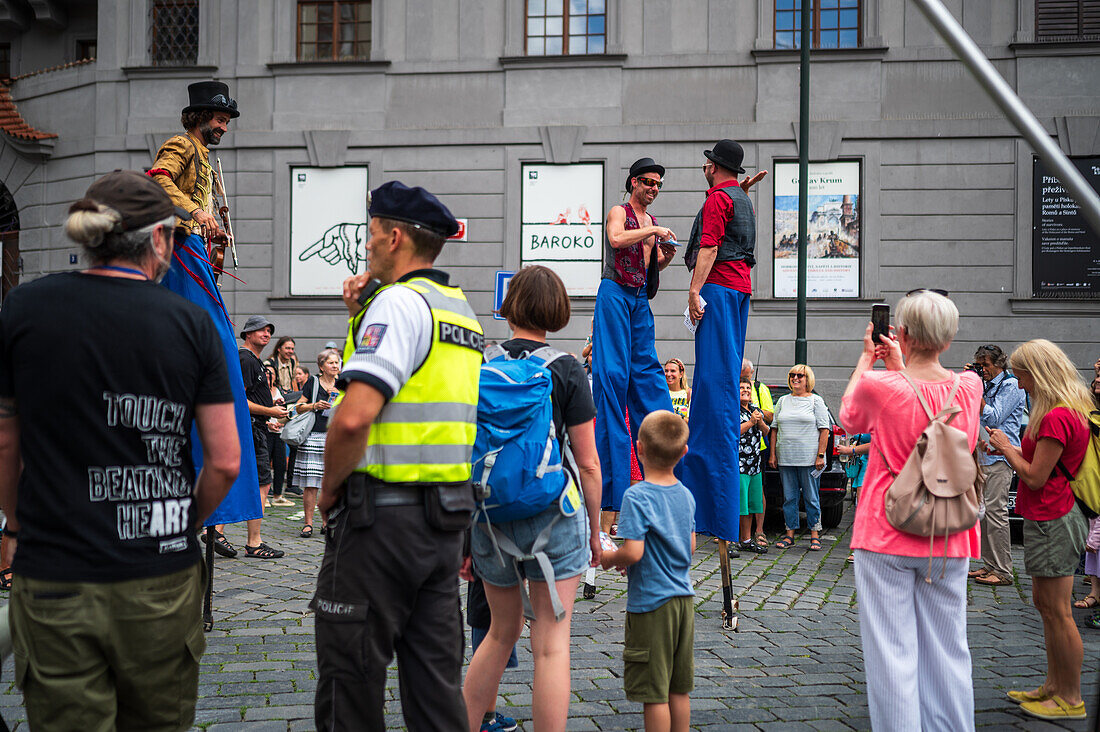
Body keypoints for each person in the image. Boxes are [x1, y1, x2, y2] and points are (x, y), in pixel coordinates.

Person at [0, 170, 240, 729]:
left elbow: (6, 437)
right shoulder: (191, 323)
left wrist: (15, 525)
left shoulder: (25, 309)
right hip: (158, 572)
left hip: (56, 566)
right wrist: (182, 522)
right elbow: (225, 460)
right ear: (159, 239)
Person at [312, 181, 482, 730]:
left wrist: (330, 488)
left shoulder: (400, 304)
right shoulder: (459, 311)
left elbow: (355, 414)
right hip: (443, 523)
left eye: (369, 235)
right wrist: (360, 314)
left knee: (351, 683)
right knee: (436, 693)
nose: (364, 248)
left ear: (394, 236)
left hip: (378, 523)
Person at [463, 265, 601, 732]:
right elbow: (588, 464)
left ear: (509, 306)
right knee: (551, 641)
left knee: (499, 634)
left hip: (489, 514)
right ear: (558, 311)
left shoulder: (479, 364)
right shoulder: (566, 369)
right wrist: (596, 532)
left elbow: (462, 451)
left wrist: (466, 535)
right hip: (554, 515)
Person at [840, 289, 983, 731]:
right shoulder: (970, 386)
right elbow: (943, 425)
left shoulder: (880, 385)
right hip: (949, 530)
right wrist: (900, 367)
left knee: (892, 653)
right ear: (949, 336)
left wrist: (868, 360)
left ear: (901, 333)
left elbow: (849, 418)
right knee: (948, 649)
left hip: (886, 529)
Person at [149, 80, 263, 545]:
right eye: (219, 119)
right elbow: (157, 178)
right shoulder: (181, 144)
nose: (224, 127)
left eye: (227, 121)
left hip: (193, 248)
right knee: (214, 342)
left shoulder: (209, 158)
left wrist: (213, 226)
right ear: (199, 117)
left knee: (215, 342)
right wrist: (198, 213)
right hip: (179, 248)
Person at [988, 339, 1091, 721]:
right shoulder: (1066, 410)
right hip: (1051, 516)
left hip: (1054, 517)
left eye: (1020, 372)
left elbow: (1033, 477)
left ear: (1037, 372)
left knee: (1058, 612)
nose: (1016, 379)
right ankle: (1054, 686)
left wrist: (1005, 445)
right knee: (1047, 608)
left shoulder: (1056, 416)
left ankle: (1070, 698)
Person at [682, 140, 764, 550]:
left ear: (713, 167)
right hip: (739, 290)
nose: (704, 166)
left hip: (721, 287)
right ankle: (716, 496)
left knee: (714, 385)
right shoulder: (741, 199)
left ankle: (709, 497)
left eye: (707, 162)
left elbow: (710, 247)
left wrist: (695, 292)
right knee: (721, 380)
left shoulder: (719, 199)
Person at [592, 157, 678, 516]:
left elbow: (649, 264)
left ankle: (663, 471)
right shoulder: (620, 211)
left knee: (648, 379)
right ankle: (609, 497)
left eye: (657, 183)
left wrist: (666, 256)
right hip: (614, 293)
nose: (653, 188)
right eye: (647, 181)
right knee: (612, 378)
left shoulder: (651, 223)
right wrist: (653, 233)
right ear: (633, 183)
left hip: (640, 299)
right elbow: (615, 238)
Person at [601, 411, 696, 732]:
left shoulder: (636, 495)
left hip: (651, 605)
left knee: (654, 693)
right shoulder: (686, 494)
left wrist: (609, 557)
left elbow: (633, 551)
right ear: (683, 452)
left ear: (638, 448)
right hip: (684, 602)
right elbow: (691, 546)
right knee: (678, 688)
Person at [966, 344, 1026, 587]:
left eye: (986, 365)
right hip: (983, 456)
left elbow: (993, 416)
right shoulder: (986, 384)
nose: (983, 370)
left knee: (997, 513)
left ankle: (1003, 570)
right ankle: (989, 564)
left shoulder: (1010, 385)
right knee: (984, 515)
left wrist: (977, 392)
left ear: (999, 365)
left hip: (1001, 458)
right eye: (979, 366)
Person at [234, 317, 287, 559]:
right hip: (252, 429)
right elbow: (240, 400)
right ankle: (253, 542)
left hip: (256, 428)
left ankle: (218, 531)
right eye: (260, 330)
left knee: (248, 480)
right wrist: (270, 411)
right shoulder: (245, 359)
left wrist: (270, 402)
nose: (266, 334)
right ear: (247, 334)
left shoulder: (253, 360)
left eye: (268, 331)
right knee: (261, 482)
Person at [770, 365, 830, 551]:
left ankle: (814, 533)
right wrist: (772, 454)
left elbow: (824, 430)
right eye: (792, 375)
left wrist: (820, 455)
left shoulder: (816, 401)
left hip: (810, 460)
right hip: (786, 458)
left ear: (807, 379)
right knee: (789, 498)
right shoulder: (782, 401)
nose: (795, 378)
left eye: (800, 375)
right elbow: (774, 429)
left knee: (811, 497)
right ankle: (790, 534)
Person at [295, 348, 340, 538]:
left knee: (329, 483)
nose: (335, 366)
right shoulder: (313, 382)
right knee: (311, 484)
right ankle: (308, 523)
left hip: (334, 437)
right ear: (321, 366)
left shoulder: (343, 384)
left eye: (337, 362)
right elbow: (298, 407)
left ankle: (326, 521)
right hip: (313, 436)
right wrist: (315, 405)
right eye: (331, 363)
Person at [738, 381, 768, 554]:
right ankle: (731, 540)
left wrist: (759, 421)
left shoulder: (755, 409)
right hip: (739, 464)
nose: (746, 390)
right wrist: (750, 422)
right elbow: (732, 431)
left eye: (748, 388)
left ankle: (747, 540)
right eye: (742, 388)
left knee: (750, 504)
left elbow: (765, 431)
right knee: (739, 504)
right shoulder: (732, 409)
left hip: (754, 465)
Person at [265, 364, 294, 507]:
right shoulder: (260, 390)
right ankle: (264, 496)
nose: (269, 376)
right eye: (266, 373)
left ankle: (278, 495)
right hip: (266, 431)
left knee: (280, 464)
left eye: (271, 373)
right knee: (265, 464)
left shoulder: (278, 390)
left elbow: (284, 410)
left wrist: (282, 423)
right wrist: (268, 423)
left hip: (278, 431)